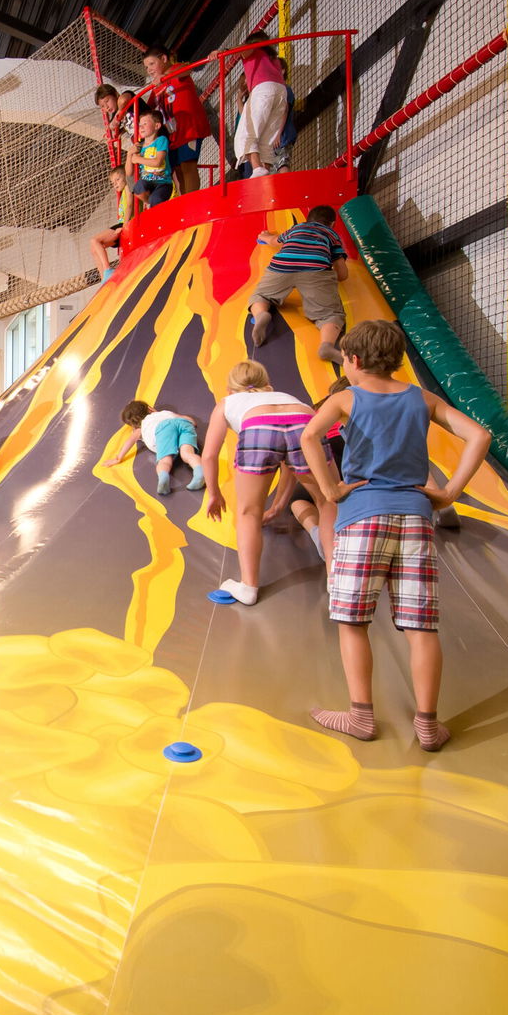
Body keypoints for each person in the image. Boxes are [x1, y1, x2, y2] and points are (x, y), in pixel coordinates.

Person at [301, 320, 490, 751]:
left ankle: (360, 716)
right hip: (415, 517)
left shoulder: (347, 398)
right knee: (421, 627)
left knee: (352, 622)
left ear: (354, 359)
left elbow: (309, 435)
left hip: (362, 517)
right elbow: (479, 435)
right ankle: (428, 725)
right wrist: (449, 493)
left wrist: (330, 490)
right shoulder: (421, 398)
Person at [201, 360, 335, 605]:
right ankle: (336, 579)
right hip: (304, 421)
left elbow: (209, 455)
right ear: (267, 384)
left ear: (230, 389)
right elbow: (289, 463)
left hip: (258, 427)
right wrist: (277, 507)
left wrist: (214, 493)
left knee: (248, 512)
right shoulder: (290, 399)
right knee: (328, 501)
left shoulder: (228, 402)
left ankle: (248, 587)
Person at [248, 204, 349, 363]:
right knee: (330, 314)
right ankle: (327, 346)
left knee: (260, 295)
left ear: (308, 220)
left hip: (282, 266)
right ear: (332, 224)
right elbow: (342, 274)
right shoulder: (332, 234)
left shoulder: (297, 228)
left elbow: (274, 241)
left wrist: (264, 236)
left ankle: (261, 314)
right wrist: (326, 277)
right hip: (314, 271)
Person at [213, 31, 286, 178]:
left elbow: (243, 48)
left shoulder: (254, 51)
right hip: (280, 91)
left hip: (263, 89)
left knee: (245, 131)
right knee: (267, 136)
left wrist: (222, 52)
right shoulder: (274, 60)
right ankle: (265, 170)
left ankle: (257, 168)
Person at [142, 45, 212, 195]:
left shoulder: (176, 69)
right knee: (178, 171)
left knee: (188, 165)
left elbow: (186, 70)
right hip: (173, 134)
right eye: (146, 67)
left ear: (164, 58)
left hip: (189, 128)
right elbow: (146, 109)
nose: (149, 69)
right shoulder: (157, 87)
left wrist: (166, 76)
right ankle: (185, 200)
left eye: (152, 64)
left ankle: (191, 201)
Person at [105, 401, 206, 495]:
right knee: (188, 454)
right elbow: (188, 420)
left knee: (165, 461)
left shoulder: (141, 428)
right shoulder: (163, 413)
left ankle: (163, 478)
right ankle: (199, 471)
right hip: (181, 424)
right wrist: (192, 422)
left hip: (163, 431)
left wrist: (118, 458)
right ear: (150, 409)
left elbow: (130, 441)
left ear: (133, 425)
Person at [89, 167, 133, 279]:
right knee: (94, 248)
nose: (115, 184)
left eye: (117, 179)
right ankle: (103, 277)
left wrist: (125, 226)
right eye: (113, 183)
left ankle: (108, 270)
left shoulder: (128, 187)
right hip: (122, 224)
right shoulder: (123, 192)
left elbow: (129, 206)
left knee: (95, 241)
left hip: (126, 223)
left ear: (125, 177)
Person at [130, 111, 172, 207]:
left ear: (157, 126)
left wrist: (137, 159)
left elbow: (158, 162)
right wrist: (130, 156)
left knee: (156, 199)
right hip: (147, 182)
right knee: (138, 187)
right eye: (140, 125)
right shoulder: (140, 146)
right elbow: (129, 172)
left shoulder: (161, 140)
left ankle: (153, 205)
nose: (141, 127)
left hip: (162, 182)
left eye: (145, 124)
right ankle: (150, 203)